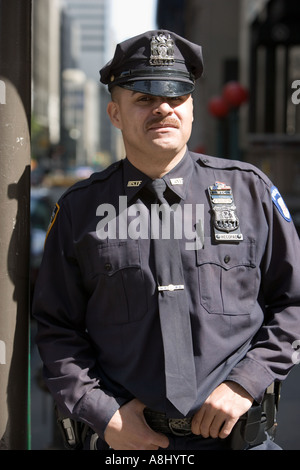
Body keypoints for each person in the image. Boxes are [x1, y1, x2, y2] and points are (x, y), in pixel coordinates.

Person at [32, 30, 300, 451]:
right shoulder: (80, 211)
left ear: (192, 107)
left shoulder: (250, 193)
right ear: (115, 114)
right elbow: (55, 328)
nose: (163, 108)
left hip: (239, 441)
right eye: (143, 98)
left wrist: (247, 383)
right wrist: (103, 413)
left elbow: (293, 303)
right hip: (125, 444)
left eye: (176, 96)